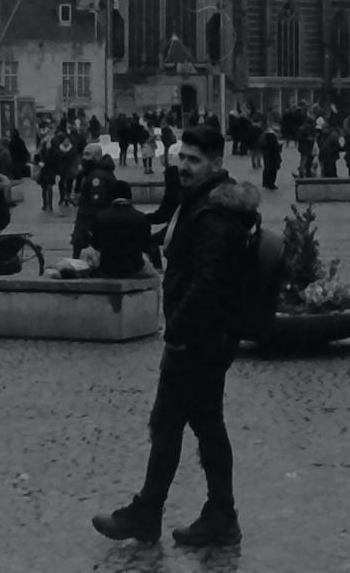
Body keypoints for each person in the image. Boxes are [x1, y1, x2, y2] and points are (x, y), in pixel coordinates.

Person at [93, 126, 260, 548]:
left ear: (216, 164)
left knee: (169, 424)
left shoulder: (215, 214)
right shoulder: (200, 202)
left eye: (194, 159)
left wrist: (179, 332)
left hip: (198, 341)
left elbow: (209, 281)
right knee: (205, 425)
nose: (184, 166)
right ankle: (219, 515)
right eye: (181, 157)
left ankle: (151, 512)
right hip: (206, 338)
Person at [90, 179, 163, 279]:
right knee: (155, 277)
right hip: (134, 268)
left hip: (107, 269)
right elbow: (146, 246)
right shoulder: (140, 217)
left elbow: (95, 244)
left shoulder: (101, 217)